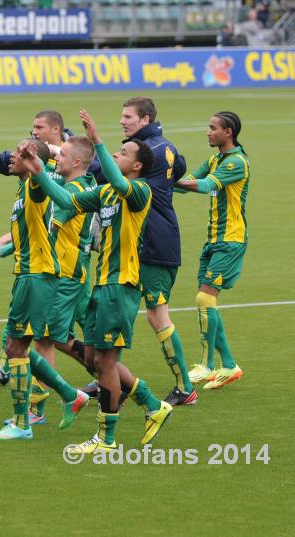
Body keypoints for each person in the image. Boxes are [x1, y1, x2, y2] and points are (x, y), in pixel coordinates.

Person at [24, 111, 173, 453]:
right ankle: (153, 404)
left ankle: (106, 438)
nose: (117, 157)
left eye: (124, 154)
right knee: (92, 360)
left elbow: (118, 182)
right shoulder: (105, 194)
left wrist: (99, 141)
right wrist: (37, 172)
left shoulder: (138, 192)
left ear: (136, 167)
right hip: (101, 285)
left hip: (121, 286)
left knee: (105, 363)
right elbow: (65, 201)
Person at [0, 138, 90, 440]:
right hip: (28, 274)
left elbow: (45, 185)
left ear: (32, 163)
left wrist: (37, 164)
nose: (10, 158)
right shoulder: (23, 188)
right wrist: (3, 250)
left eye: (17, 154)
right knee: (18, 347)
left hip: (39, 276)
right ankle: (70, 396)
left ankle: (23, 423)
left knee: (16, 348)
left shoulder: (36, 186)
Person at [111, 97, 194, 406]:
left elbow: (114, 177)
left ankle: (185, 387)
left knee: (158, 316)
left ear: (144, 120)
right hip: (149, 240)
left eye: (128, 116)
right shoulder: (165, 146)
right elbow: (181, 166)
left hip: (156, 243)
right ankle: (109, 377)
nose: (122, 121)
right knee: (122, 309)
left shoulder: (149, 152)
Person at [176, 112, 248, 390]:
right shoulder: (216, 159)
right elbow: (189, 182)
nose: (208, 132)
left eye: (212, 128)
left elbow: (205, 185)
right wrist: (164, 179)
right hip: (213, 241)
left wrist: (167, 181)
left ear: (227, 132)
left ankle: (206, 366)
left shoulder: (236, 162)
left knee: (205, 299)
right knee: (207, 304)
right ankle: (229, 365)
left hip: (230, 241)